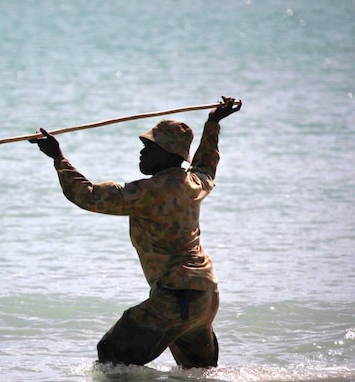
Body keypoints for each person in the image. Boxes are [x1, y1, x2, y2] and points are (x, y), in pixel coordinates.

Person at [30, 97, 242, 368]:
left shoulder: (147, 193)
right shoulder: (193, 183)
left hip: (177, 297)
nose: (141, 153)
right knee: (197, 377)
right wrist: (213, 123)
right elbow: (206, 165)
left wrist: (58, 157)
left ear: (168, 154)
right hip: (205, 297)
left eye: (149, 148)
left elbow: (87, 195)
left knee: (112, 354)